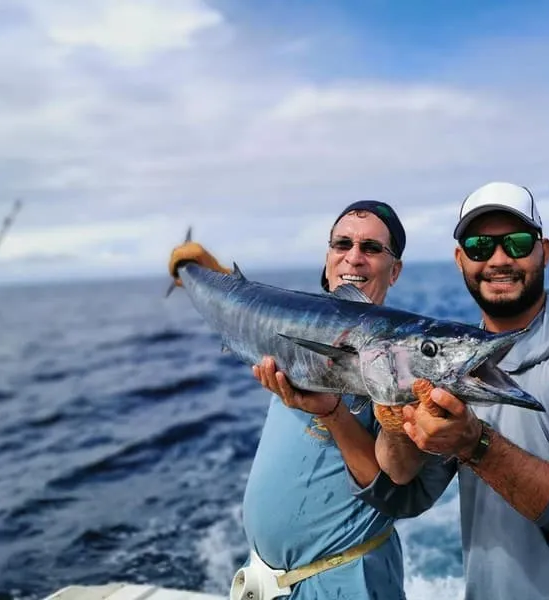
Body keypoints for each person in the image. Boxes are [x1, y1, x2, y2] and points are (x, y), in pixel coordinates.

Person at [358, 182, 549, 599]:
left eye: (518, 243)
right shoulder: (452, 362)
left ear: (545, 251)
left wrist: (476, 444)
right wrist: (380, 419)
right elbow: (410, 495)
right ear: (460, 259)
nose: (499, 260)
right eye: (480, 246)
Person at [169, 200, 421, 599]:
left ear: (396, 270)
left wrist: (335, 414)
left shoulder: (404, 361)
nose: (354, 257)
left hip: (345, 580)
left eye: (372, 249)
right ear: (327, 258)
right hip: (271, 580)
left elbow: (397, 485)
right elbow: (248, 307)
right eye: (342, 244)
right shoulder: (296, 322)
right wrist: (200, 273)